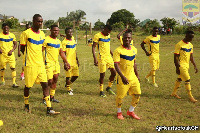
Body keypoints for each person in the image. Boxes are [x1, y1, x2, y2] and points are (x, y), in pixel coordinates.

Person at [19, 14, 60, 115]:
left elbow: (42, 48)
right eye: (38, 21)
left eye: (41, 21)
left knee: (45, 85)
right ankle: (26, 104)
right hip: (30, 65)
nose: (40, 23)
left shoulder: (42, 34)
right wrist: (29, 59)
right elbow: (23, 48)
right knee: (28, 86)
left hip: (41, 65)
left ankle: (49, 108)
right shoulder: (25, 33)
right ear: (33, 21)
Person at [113, 31, 141, 120]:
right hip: (122, 78)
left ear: (131, 39)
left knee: (137, 94)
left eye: (129, 38)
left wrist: (137, 75)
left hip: (133, 77)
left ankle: (131, 111)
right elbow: (116, 65)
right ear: (123, 39)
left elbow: (134, 63)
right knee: (120, 97)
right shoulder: (118, 50)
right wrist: (122, 76)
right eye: (125, 38)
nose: (127, 39)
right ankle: (119, 112)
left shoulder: (134, 49)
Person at [42, 25, 70, 102]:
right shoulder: (46, 40)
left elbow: (61, 52)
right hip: (47, 63)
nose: (56, 32)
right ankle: (45, 98)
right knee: (49, 81)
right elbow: (41, 50)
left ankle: (52, 96)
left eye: (57, 30)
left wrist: (66, 62)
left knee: (55, 80)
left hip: (56, 64)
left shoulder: (58, 41)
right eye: (54, 30)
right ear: (51, 30)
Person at [171, 30, 198, 103]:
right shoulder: (179, 44)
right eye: (190, 37)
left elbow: (191, 57)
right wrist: (177, 67)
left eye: (192, 38)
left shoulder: (190, 45)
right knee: (187, 79)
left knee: (180, 78)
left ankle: (174, 93)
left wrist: (195, 65)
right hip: (181, 65)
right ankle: (190, 97)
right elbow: (175, 57)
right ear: (186, 36)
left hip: (187, 65)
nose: (191, 39)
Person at [92, 25, 116, 97]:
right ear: (104, 29)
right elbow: (93, 47)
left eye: (109, 32)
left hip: (109, 57)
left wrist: (113, 55)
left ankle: (109, 87)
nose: (108, 33)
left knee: (114, 73)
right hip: (101, 58)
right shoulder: (97, 36)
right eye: (107, 32)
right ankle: (101, 91)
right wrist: (94, 58)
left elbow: (108, 47)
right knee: (102, 75)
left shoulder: (108, 36)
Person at [0, 23, 19, 87]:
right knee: (2, 68)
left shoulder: (12, 35)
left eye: (7, 28)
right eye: (5, 28)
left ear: (9, 29)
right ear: (2, 28)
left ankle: (14, 83)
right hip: (2, 54)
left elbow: (15, 44)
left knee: (13, 68)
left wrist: (12, 50)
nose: (6, 29)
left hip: (10, 55)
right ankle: (2, 81)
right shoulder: (0, 35)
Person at [61, 27, 79, 95]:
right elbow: (63, 54)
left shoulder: (73, 39)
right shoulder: (64, 42)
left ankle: (67, 84)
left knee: (76, 75)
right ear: (66, 33)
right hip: (68, 62)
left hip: (74, 61)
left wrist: (77, 60)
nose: (70, 33)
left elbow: (75, 51)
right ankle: (68, 89)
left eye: (71, 32)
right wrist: (65, 63)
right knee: (68, 76)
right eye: (69, 32)